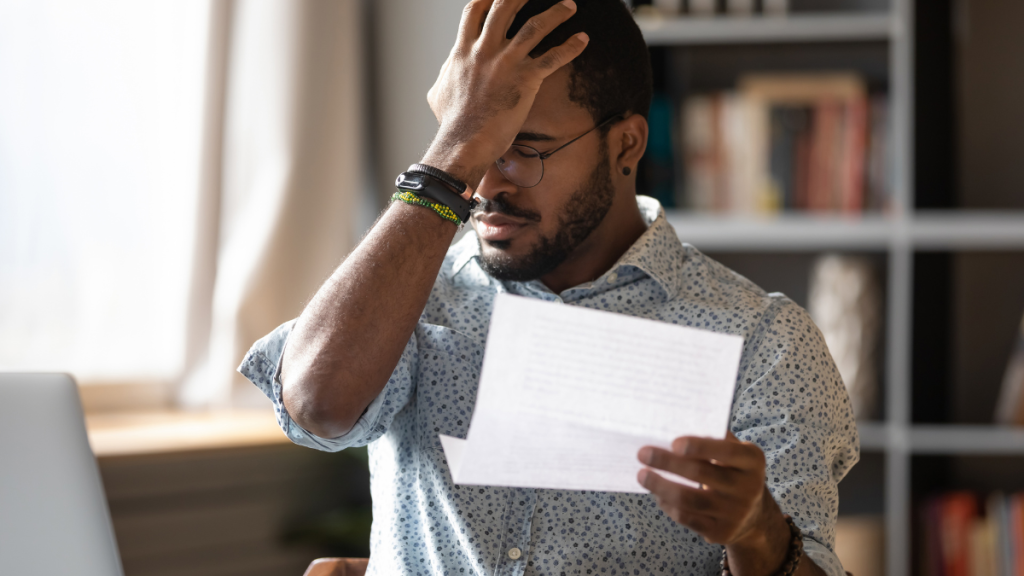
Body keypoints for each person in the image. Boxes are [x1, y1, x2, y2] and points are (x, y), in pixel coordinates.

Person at [239, 0, 859, 574]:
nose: (485, 186)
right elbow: (317, 406)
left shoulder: (763, 341)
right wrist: (453, 150)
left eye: (522, 150)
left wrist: (757, 533)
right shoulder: (411, 297)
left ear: (626, 145)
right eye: (472, 147)